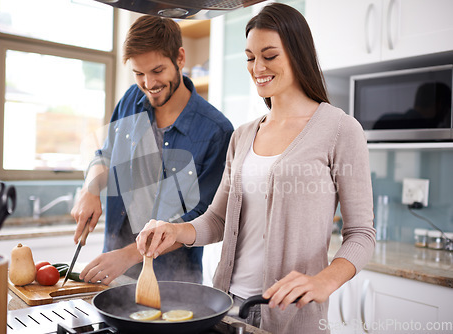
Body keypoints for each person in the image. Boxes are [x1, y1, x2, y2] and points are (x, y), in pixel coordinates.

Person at [136, 3, 375, 333]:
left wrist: (324, 281)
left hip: (292, 315)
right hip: (226, 307)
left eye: (269, 55)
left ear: (297, 54)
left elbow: (362, 233)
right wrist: (175, 230)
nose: (257, 67)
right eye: (250, 57)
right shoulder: (243, 135)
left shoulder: (340, 130)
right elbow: (218, 219)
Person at [71, 15, 234, 285]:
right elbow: (106, 154)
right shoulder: (130, 100)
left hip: (174, 283)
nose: (148, 83)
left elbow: (201, 220)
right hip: (113, 270)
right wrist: (91, 189)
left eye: (157, 71)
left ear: (180, 58)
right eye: (138, 73)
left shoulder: (217, 132)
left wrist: (129, 255)